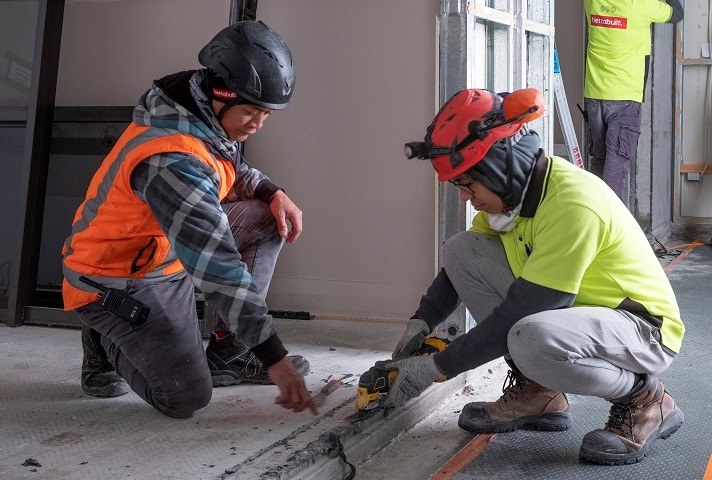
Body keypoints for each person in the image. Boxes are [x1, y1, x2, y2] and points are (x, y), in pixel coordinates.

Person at [382, 87, 684, 465]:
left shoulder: (572, 204)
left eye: (468, 184)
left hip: (641, 328)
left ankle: (645, 399)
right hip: (578, 315)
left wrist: (433, 370)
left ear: (498, 169)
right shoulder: (514, 201)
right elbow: (459, 268)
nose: (464, 197)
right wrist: (421, 322)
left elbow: (523, 311)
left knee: (531, 336)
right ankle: (539, 392)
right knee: (461, 249)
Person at [62, 20, 317, 418]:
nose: (258, 124)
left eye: (267, 114)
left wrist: (273, 192)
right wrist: (273, 357)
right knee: (185, 398)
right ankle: (102, 338)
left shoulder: (198, 118)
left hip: (167, 251)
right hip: (121, 277)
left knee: (268, 217)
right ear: (221, 94)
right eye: (251, 111)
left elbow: (226, 168)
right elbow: (218, 267)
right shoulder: (171, 159)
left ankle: (229, 354)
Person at [583, 0, 683, 199]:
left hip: (594, 95)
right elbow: (677, 13)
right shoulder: (643, 5)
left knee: (598, 159)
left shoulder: (592, 2)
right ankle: (613, 226)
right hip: (624, 98)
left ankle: (594, 214)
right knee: (616, 164)